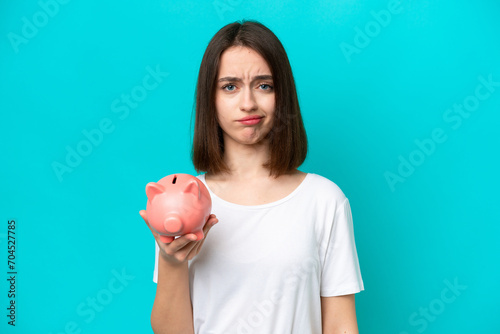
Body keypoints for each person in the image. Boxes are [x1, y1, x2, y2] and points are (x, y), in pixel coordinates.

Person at [140, 20, 364, 334]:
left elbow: (341, 326)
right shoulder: (188, 201)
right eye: (229, 86)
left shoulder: (324, 200)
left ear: (282, 94)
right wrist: (171, 261)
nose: (248, 103)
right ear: (211, 98)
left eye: (264, 85)